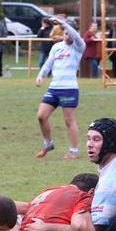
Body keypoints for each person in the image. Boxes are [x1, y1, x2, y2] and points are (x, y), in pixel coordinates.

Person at [35, 17, 85, 160]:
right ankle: (48, 144)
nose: (67, 36)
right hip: (54, 88)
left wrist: (63, 23)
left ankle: (74, 151)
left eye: (70, 33)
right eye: (65, 33)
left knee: (69, 121)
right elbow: (48, 64)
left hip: (69, 88)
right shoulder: (56, 47)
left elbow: (74, 35)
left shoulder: (78, 46)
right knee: (41, 116)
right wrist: (40, 75)